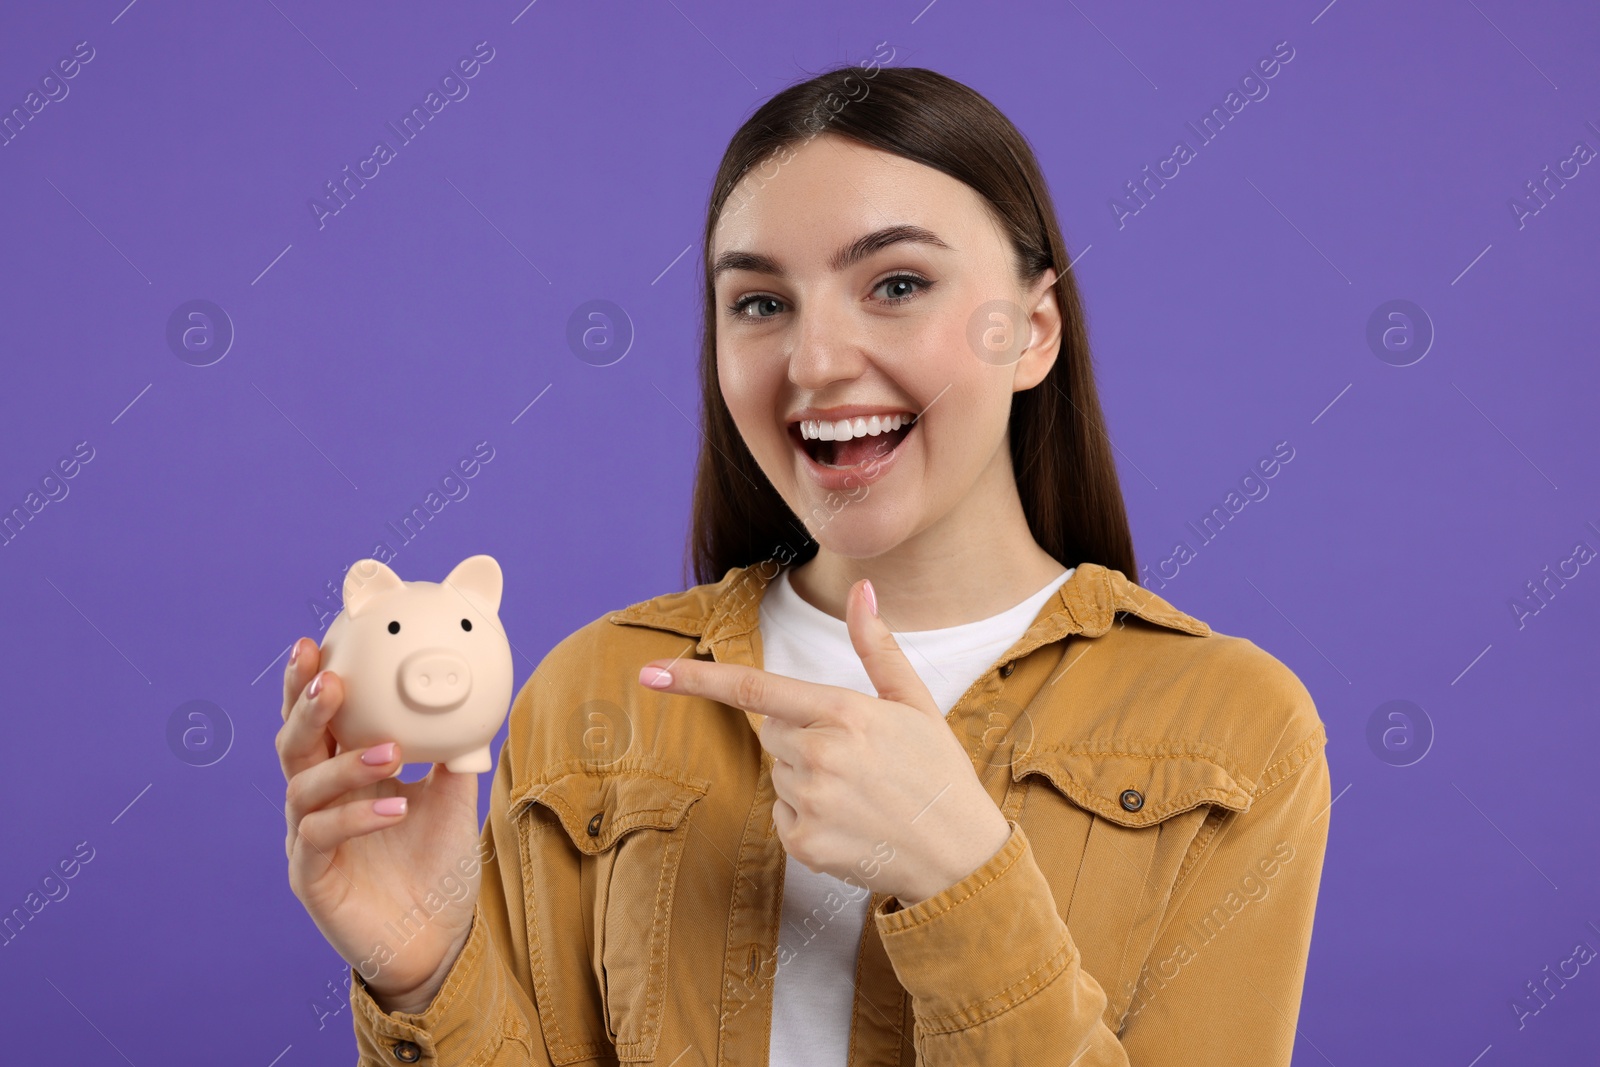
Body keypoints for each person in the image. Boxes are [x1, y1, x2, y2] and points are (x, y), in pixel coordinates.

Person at [276, 63, 1331, 1065]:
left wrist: (964, 876)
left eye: (898, 282)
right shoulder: (594, 694)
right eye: (760, 303)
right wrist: (423, 974)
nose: (815, 361)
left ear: (1033, 329)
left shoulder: (1233, 728)